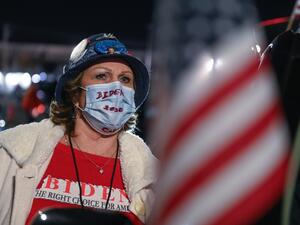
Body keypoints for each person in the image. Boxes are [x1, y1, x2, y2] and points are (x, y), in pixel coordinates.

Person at [0, 33, 157, 225]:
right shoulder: (11, 153)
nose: (116, 88)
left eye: (125, 79)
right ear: (74, 93)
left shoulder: (154, 176)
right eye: (102, 76)